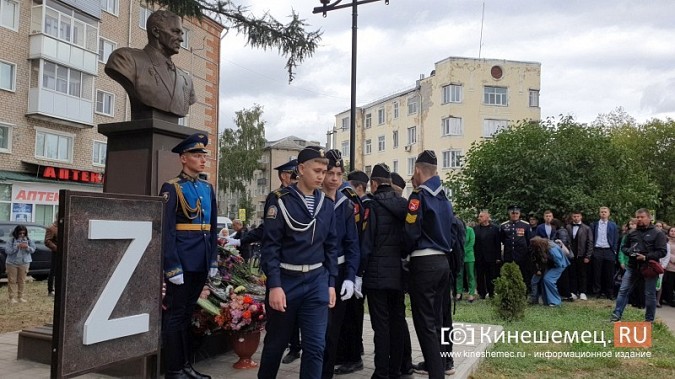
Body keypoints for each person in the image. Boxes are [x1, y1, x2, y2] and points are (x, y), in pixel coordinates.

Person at [258, 146, 338, 379]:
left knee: (315, 347)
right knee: (275, 344)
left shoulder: (326, 204)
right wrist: (274, 285)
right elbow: (270, 246)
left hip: (316, 281)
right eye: (317, 170)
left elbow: (331, 246)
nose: (321, 176)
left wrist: (331, 282)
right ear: (301, 169)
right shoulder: (280, 200)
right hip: (286, 280)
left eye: (324, 171)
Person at [159, 133, 217, 379]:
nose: (202, 160)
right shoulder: (171, 187)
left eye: (204, 155)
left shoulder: (206, 187)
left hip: (201, 261)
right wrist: (172, 267)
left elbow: (212, 228)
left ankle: (185, 366)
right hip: (182, 263)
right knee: (175, 316)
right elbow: (166, 230)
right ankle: (174, 369)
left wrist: (212, 260)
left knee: (186, 315)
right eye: (196, 155)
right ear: (183, 159)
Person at [404, 150, 455, 378]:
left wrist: (403, 254)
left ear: (417, 170)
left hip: (423, 264)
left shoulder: (418, 197)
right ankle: (443, 366)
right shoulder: (445, 198)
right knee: (438, 321)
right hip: (443, 262)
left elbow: (410, 233)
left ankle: (436, 373)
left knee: (425, 325)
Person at [359, 163, 408, 379]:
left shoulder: (371, 206)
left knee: (381, 326)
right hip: (399, 274)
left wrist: (359, 272)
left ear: (375, 183)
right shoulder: (405, 205)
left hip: (376, 276)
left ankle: (381, 372)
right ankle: (396, 370)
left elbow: (366, 243)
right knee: (397, 322)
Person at [105, 10, 196, 119]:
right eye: (175, 32)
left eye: (181, 34)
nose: (181, 39)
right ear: (156, 31)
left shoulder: (186, 80)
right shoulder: (125, 58)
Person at [320, 150, 359, 379]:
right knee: (318, 331)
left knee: (333, 331)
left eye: (338, 173)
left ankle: (326, 374)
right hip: (318, 271)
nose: (334, 178)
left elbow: (353, 244)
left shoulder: (346, 204)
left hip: (341, 270)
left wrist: (351, 277)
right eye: (330, 173)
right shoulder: (313, 200)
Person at [334, 169, 370, 375]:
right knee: (348, 314)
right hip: (349, 263)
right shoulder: (347, 195)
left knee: (350, 315)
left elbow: (355, 235)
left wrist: (356, 271)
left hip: (349, 264)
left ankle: (353, 356)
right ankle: (347, 352)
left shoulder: (347, 197)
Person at [611, 209, 668, 323]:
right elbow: (623, 247)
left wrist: (646, 257)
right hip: (632, 267)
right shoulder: (632, 233)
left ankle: (649, 320)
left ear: (649, 218)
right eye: (637, 217)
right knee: (623, 291)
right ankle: (616, 316)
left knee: (650, 294)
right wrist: (630, 252)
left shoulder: (658, 233)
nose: (639, 219)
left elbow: (662, 252)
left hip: (649, 268)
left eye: (642, 217)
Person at [529, 236, 570, 306]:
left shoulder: (551, 248)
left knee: (548, 280)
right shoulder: (544, 246)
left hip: (560, 265)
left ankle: (555, 301)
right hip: (552, 265)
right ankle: (547, 301)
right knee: (543, 280)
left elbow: (558, 260)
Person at [500, 205, 532, 291]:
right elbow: (503, 239)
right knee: (509, 273)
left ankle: (524, 292)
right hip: (509, 254)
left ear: (519, 214)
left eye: (516, 213)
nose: (514, 215)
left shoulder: (525, 225)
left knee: (523, 274)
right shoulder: (504, 225)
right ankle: (510, 291)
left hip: (522, 254)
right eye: (513, 213)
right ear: (509, 214)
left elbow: (528, 240)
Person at [590, 207, 620, 299]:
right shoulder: (594, 225)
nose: (603, 213)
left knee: (609, 273)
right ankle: (597, 292)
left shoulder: (613, 225)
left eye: (605, 212)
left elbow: (616, 238)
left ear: (608, 214)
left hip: (609, 250)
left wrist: (614, 250)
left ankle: (609, 292)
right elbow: (591, 238)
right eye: (602, 212)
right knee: (597, 272)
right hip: (597, 250)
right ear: (599, 213)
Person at [565, 211, 593, 300]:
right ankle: (573, 291)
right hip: (571, 254)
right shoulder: (568, 227)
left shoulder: (586, 228)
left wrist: (588, 256)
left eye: (577, 216)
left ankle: (582, 292)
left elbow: (590, 242)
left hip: (582, 254)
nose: (576, 218)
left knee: (582, 274)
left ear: (581, 217)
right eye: (574, 216)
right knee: (572, 273)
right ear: (572, 217)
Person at [474, 210, 501, 300]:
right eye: (479, 216)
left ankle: (491, 292)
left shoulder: (495, 229)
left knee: (491, 276)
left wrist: (498, 257)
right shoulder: (476, 229)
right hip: (479, 256)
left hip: (491, 257)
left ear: (487, 217)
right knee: (480, 275)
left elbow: (497, 244)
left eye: (481, 216)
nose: (479, 218)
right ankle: (481, 293)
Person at [6, 225, 36, 304]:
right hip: (12, 263)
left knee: (22, 281)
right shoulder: (11, 240)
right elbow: (8, 251)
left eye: (24, 233)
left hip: (24, 263)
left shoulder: (29, 240)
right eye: (20, 233)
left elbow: (33, 250)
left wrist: (27, 247)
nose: (22, 235)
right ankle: (11, 298)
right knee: (12, 280)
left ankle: (20, 297)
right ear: (16, 233)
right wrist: (17, 246)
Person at [456, 220, 476, 302]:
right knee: (459, 275)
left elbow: (472, 242)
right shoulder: (457, 231)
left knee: (470, 275)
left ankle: (471, 294)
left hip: (469, 256)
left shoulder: (470, 230)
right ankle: (458, 293)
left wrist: (463, 251)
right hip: (459, 257)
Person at [660, 226, 675, 307]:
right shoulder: (666, 242)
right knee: (667, 284)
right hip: (668, 266)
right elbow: (665, 253)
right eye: (671, 231)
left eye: (674, 231)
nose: (673, 232)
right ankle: (666, 299)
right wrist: (672, 258)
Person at [45, 216, 58, 296]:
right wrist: (56, 248)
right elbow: (47, 241)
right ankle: (51, 289)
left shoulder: (68, 226)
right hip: (57, 252)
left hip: (66, 252)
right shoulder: (52, 228)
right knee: (53, 271)